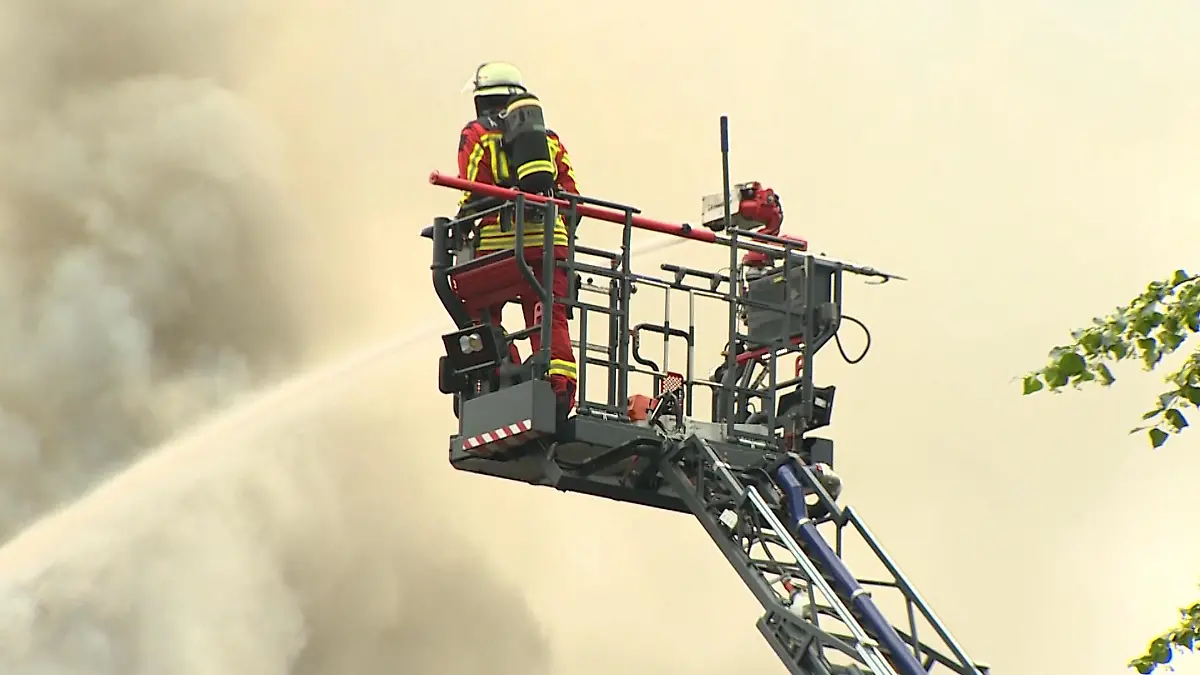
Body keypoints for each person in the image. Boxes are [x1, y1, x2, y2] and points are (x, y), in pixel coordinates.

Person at [455, 61, 579, 416]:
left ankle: (499, 374)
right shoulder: (550, 141)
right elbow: (573, 199)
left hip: (498, 250)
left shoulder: (475, 134)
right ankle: (556, 390)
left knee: (478, 311)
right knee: (549, 315)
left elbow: (470, 191)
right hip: (548, 246)